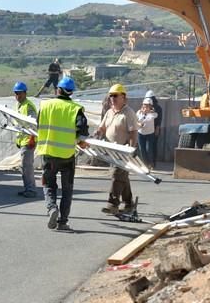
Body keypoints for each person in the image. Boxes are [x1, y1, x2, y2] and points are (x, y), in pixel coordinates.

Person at [36, 76, 89, 232]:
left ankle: (52, 208)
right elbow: (83, 131)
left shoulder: (45, 106)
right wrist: (81, 141)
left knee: (48, 185)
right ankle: (63, 222)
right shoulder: (76, 109)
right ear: (71, 93)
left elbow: (39, 125)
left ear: (57, 89)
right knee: (67, 190)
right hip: (67, 156)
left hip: (49, 154)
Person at [95, 84, 138, 215]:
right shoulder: (109, 112)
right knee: (122, 176)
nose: (112, 98)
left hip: (123, 150)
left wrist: (131, 150)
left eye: (115, 96)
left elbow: (133, 132)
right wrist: (95, 137)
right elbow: (102, 129)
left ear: (123, 97)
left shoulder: (128, 113)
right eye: (111, 96)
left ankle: (112, 203)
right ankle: (129, 203)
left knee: (116, 175)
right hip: (111, 150)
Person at [13, 81, 38, 198]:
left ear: (25, 93)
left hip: (29, 141)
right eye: (16, 93)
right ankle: (28, 188)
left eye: (20, 93)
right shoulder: (19, 106)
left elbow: (34, 124)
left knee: (27, 166)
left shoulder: (28, 106)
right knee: (24, 166)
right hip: (23, 141)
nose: (18, 96)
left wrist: (32, 139)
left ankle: (31, 190)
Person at [137, 97, 158, 165]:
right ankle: (145, 164)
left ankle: (150, 163)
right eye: (145, 105)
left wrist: (146, 114)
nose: (146, 107)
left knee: (149, 149)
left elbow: (149, 119)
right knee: (142, 150)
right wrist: (139, 123)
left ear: (151, 106)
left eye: (148, 105)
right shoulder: (139, 112)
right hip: (141, 133)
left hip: (150, 134)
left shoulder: (153, 114)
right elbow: (137, 120)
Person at [144, 90, 163, 165]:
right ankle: (148, 162)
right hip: (146, 129)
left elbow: (159, 119)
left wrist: (157, 129)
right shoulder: (145, 107)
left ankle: (153, 162)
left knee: (153, 146)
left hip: (154, 129)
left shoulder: (158, 108)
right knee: (148, 147)